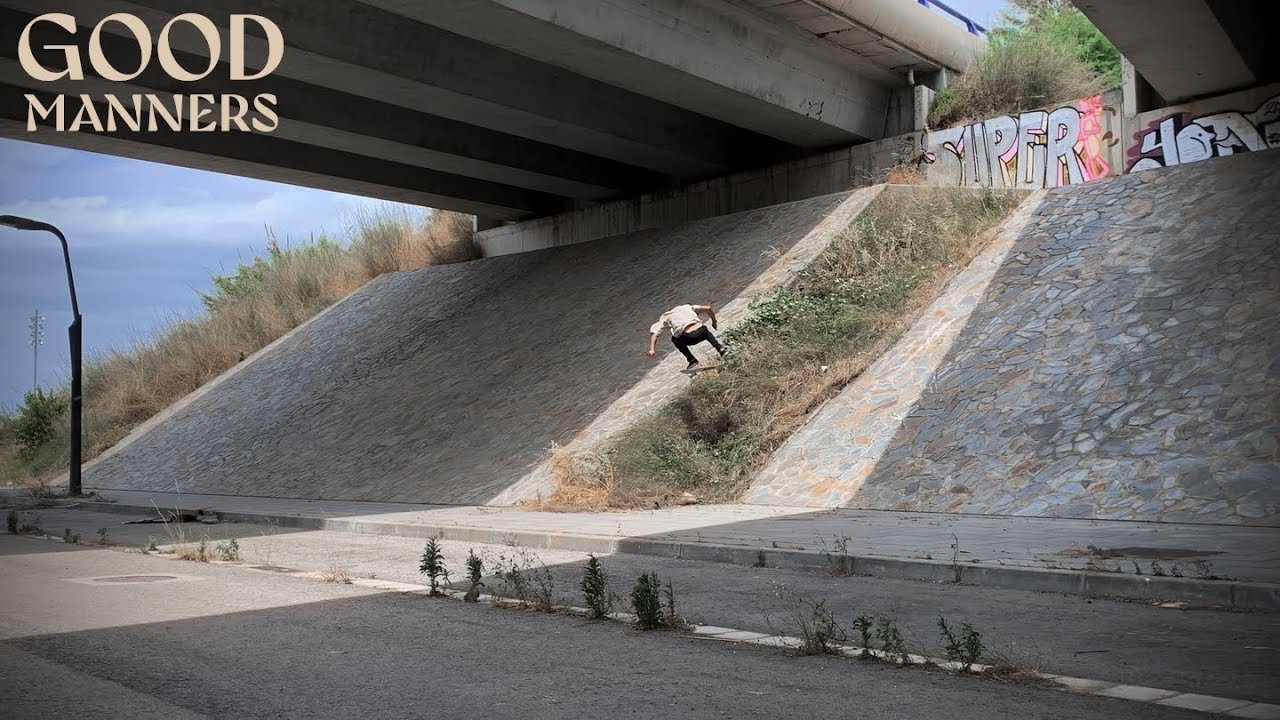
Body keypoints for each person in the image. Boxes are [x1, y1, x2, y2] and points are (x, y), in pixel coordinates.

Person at [647, 303, 726, 370]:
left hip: (689, 338)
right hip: (702, 333)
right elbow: (708, 308)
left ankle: (692, 360)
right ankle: (720, 349)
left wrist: (652, 349)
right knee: (704, 329)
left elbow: (654, 333)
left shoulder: (666, 316)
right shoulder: (688, 307)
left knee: (675, 339)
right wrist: (714, 322)